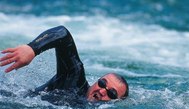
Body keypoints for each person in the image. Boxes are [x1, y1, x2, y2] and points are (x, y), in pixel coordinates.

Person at [0, 26, 129, 104]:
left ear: (116, 102)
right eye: (102, 83)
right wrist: (32, 48)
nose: (101, 91)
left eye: (111, 94)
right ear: (97, 81)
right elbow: (63, 33)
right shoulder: (74, 79)